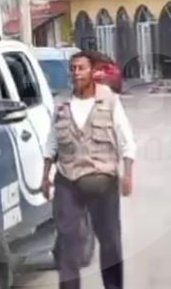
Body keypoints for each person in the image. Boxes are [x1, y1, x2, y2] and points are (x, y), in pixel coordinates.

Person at [42, 51, 136, 289]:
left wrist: (128, 174)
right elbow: (52, 142)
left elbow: (125, 137)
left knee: (110, 241)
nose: (76, 73)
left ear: (92, 71)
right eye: (73, 69)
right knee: (68, 242)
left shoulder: (110, 100)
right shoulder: (61, 103)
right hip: (68, 180)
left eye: (81, 68)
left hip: (102, 180)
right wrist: (46, 176)